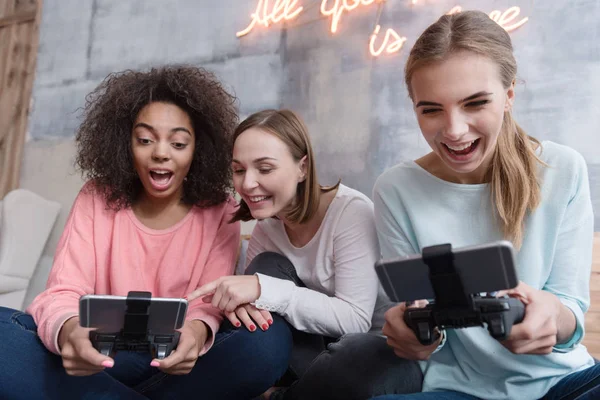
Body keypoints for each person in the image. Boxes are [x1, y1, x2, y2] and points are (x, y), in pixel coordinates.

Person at [0, 65, 291, 400]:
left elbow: (207, 304)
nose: (161, 153)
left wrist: (195, 335)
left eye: (178, 142)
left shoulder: (221, 210)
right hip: (105, 357)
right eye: (145, 140)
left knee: (268, 342)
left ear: (199, 149)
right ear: (126, 144)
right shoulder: (96, 197)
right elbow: (62, 292)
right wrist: (69, 333)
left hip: (178, 362)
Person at [370, 10, 600, 400]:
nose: (454, 130)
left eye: (474, 103)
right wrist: (414, 335)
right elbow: (420, 316)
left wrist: (552, 317)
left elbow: (570, 310)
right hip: (460, 391)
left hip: (566, 383)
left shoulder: (563, 168)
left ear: (509, 95)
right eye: (430, 109)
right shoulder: (395, 189)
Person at [187, 109, 422, 400]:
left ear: (303, 168)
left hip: (374, 356)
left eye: (265, 168)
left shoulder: (351, 214)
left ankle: (279, 397)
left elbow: (355, 321)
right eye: (239, 170)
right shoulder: (266, 230)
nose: (247, 184)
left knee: (355, 350)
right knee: (265, 266)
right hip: (309, 359)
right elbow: (259, 318)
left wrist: (264, 288)